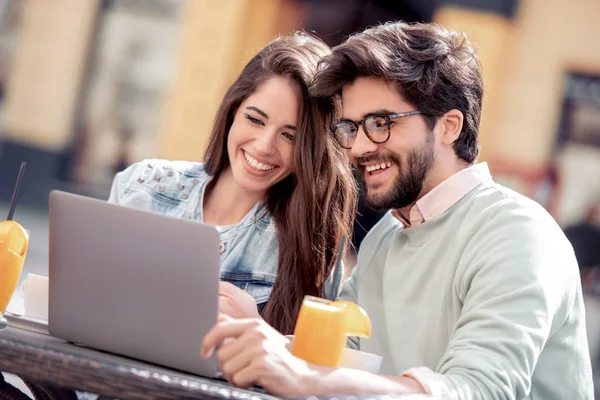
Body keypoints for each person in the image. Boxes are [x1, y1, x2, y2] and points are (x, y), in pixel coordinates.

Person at [201, 21, 594, 399]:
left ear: (448, 127)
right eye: (351, 127)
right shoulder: (388, 235)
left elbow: (479, 390)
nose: (357, 148)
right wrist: (259, 335)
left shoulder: (517, 234)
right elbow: (340, 353)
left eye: (380, 122)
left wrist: (304, 376)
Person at [108, 32, 357, 334]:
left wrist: (257, 331)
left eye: (290, 136)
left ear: (311, 150)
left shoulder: (312, 239)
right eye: (255, 119)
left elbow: (304, 371)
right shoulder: (142, 187)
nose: (265, 146)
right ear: (233, 111)